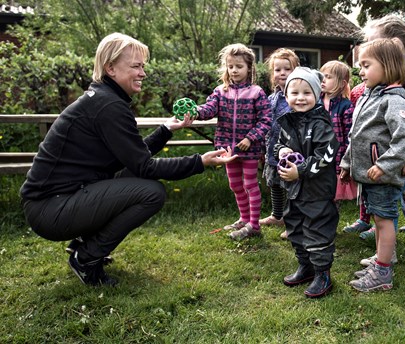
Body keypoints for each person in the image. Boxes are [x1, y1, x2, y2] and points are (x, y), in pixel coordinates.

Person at [19, 32, 237, 286]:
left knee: (132, 178)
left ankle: (84, 244)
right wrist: (200, 161)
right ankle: (86, 257)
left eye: (142, 66)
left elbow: (133, 159)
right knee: (151, 192)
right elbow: (145, 166)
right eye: (135, 66)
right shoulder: (108, 106)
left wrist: (166, 129)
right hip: (49, 209)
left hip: (57, 202)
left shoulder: (103, 99)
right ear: (110, 68)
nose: (143, 73)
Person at [352, 14, 405, 287]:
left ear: (394, 45)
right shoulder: (377, 86)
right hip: (387, 158)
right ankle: (386, 256)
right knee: (385, 211)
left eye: (374, 43)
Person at [340, 38, 405, 292]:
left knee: (384, 222)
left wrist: (385, 165)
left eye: (366, 65)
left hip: (382, 176)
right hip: (368, 175)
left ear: (386, 66)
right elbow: (357, 135)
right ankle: (379, 260)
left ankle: (383, 272)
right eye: (359, 66)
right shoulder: (368, 95)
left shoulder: (393, 99)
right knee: (378, 220)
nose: (360, 71)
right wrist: (346, 163)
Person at [196, 43, 272, 241]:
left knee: (250, 184)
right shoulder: (221, 91)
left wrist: (250, 137)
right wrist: (195, 111)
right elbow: (209, 110)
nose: (234, 70)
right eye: (230, 66)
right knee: (235, 185)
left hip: (250, 149)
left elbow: (266, 120)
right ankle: (244, 219)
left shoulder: (256, 92)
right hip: (226, 148)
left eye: (239, 66)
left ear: (249, 68)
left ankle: (254, 225)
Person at [274, 67, 339, 298]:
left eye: (306, 93)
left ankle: (323, 273)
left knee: (317, 229)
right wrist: (282, 151)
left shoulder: (321, 124)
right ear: (286, 96)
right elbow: (277, 144)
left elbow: (327, 155)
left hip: (317, 191)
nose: (300, 98)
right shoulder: (287, 122)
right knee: (295, 227)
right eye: (295, 93)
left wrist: (300, 170)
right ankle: (305, 266)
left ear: (317, 95)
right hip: (294, 191)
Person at [259, 48, 300, 239]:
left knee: (290, 187)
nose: (282, 73)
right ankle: (277, 215)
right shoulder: (272, 97)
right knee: (274, 183)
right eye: (277, 70)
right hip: (272, 147)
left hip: (290, 150)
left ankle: (293, 222)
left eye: (287, 69)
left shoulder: (297, 96)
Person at [320, 60, 355, 203]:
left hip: (336, 158)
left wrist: (346, 162)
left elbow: (349, 136)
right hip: (318, 154)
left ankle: (330, 219)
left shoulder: (346, 106)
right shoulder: (315, 101)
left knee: (334, 195)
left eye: (328, 77)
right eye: (322, 76)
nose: (323, 80)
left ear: (341, 83)